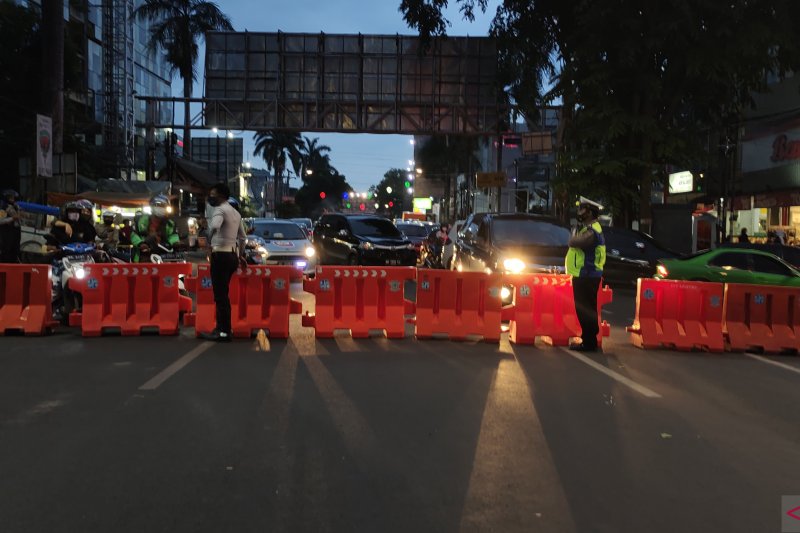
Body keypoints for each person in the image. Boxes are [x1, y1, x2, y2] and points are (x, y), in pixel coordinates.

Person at [199, 183, 246, 342]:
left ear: (220, 196)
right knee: (223, 295)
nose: (210, 197)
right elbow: (243, 238)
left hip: (220, 255)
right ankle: (224, 329)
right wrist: (241, 256)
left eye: (213, 194)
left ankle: (223, 331)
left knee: (220, 296)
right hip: (232, 256)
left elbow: (214, 226)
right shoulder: (235, 213)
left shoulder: (220, 210)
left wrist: (208, 243)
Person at [565, 197, 606, 352]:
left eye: (582, 210)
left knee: (585, 309)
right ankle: (589, 340)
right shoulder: (591, 228)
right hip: (586, 275)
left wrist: (574, 228)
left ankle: (589, 341)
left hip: (586, 275)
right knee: (587, 308)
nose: (579, 212)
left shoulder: (591, 231)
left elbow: (573, 242)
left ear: (589, 212)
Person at [130, 194, 180, 262]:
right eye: (158, 205)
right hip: (143, 256)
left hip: (163, 255)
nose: (160, 208)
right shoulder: (140, 220)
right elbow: (134, 235)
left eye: (163, 206)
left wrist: (171, 243)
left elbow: (174, 236)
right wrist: (140, 244)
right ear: (152, 206)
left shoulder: (170, 224)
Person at [0, 189, 21, 263]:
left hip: (15, 233)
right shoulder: (4, 207)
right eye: (11, 197)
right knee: (7, 252)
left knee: (15, 251)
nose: (13, 199)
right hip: (7, 233)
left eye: (13, 197)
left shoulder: (16, 207)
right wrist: (12, 218)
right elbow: (1, 221)